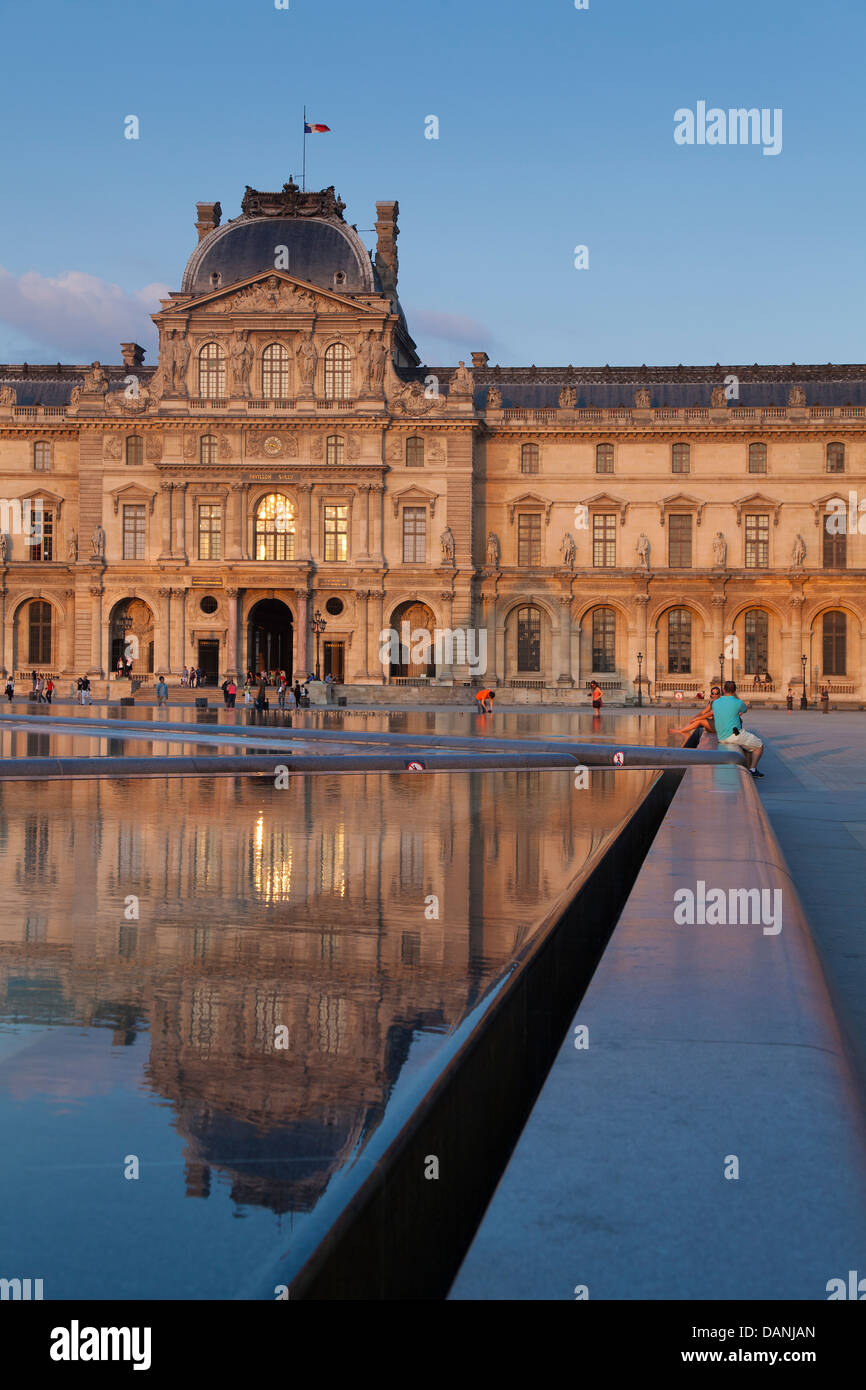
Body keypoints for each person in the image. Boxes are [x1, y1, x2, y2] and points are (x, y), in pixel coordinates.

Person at [712, 681, 764, 776]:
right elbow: (744, 710)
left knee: (747, 745)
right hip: (734, 734)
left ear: (723, 690)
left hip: (720, 735)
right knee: (759, 745)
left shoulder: (715, 702)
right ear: (735, 691)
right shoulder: (738, 702)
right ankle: (753, 770)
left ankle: (748, 767)